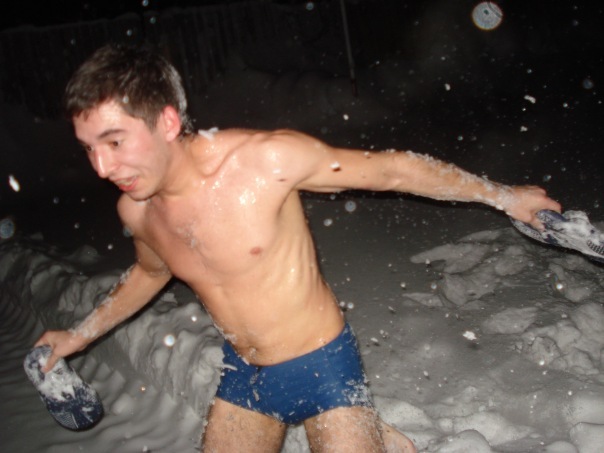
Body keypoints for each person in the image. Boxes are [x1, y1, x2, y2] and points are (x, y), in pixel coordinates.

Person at [35, 44, 561, 453]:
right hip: (245, 378)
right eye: (88, 149)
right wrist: (78, 336)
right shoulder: (137, 211)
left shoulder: (264, 161)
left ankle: (366, 432)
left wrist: (505, 197)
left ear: (167, 122)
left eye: (114, 141)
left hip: (325, 367)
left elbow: (391, 170)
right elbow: (150, 273)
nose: (101, 168)